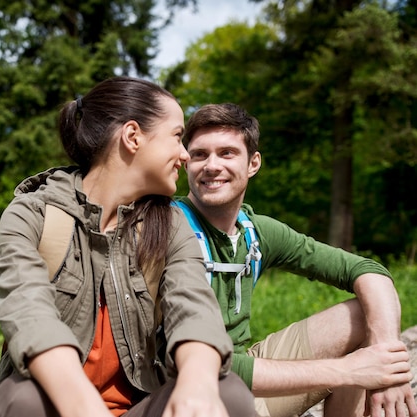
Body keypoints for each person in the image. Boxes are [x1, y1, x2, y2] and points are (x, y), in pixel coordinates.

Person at [0, 77, 255, 417]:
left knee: (230, 393)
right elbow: (29, 313)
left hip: (137, 408)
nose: (185, 155)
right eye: (176, 136)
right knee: (23, 399)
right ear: (133, 136)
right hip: (63, 406)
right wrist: (84, 407)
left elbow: (193, 307)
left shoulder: (170, 224)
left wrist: (197, 384)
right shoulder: (32, 213)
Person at [175, 102, 417, 417]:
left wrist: (386, 369)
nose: (211, 165)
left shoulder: (256, 232)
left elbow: (367, 269)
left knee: (365, 313)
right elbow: (197, 362)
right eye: (199, 155)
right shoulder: (167, 227)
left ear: (253, 163)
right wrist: (347, 370)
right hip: (193, 389)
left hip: (246, 376)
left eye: (227, 153)